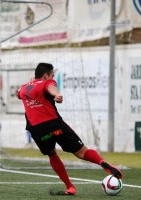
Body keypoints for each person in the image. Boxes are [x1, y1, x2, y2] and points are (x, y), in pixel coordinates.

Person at [17, 63, 123, 196]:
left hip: (38, 131)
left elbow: (19, 95)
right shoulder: (46, 82)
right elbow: (50, 87)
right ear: (45, 75)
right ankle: (103, 163)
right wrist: (57, 95)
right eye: (52, 75)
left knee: (52, 154)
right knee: (81, 152)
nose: (52, 77)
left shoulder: (23, 88)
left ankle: (70, 187)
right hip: (54, 126)